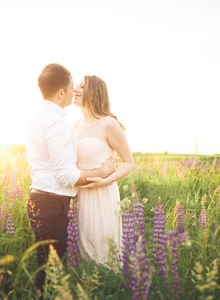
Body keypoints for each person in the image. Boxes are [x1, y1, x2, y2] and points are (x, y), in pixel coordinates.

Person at [25, 63, 115, 293]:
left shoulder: (39, 115)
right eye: (72, 85)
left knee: (49, 267)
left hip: (43, 199)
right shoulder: (58, 123)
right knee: (49, 272)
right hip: (51, 202)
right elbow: (66, 175)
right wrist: (102, 173)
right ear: (62, 92)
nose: (75, 89)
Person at [72, 75, 135, 269]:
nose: (75, 89)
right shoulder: (75, 125)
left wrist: (106, 180)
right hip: (79, 192)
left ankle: (106, 286)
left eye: (82, 86)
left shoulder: (108, 123)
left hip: (102, 193)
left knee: (101, 245)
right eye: (76, 85)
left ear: (94, 93)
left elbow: (128, 163)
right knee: (81, 247)